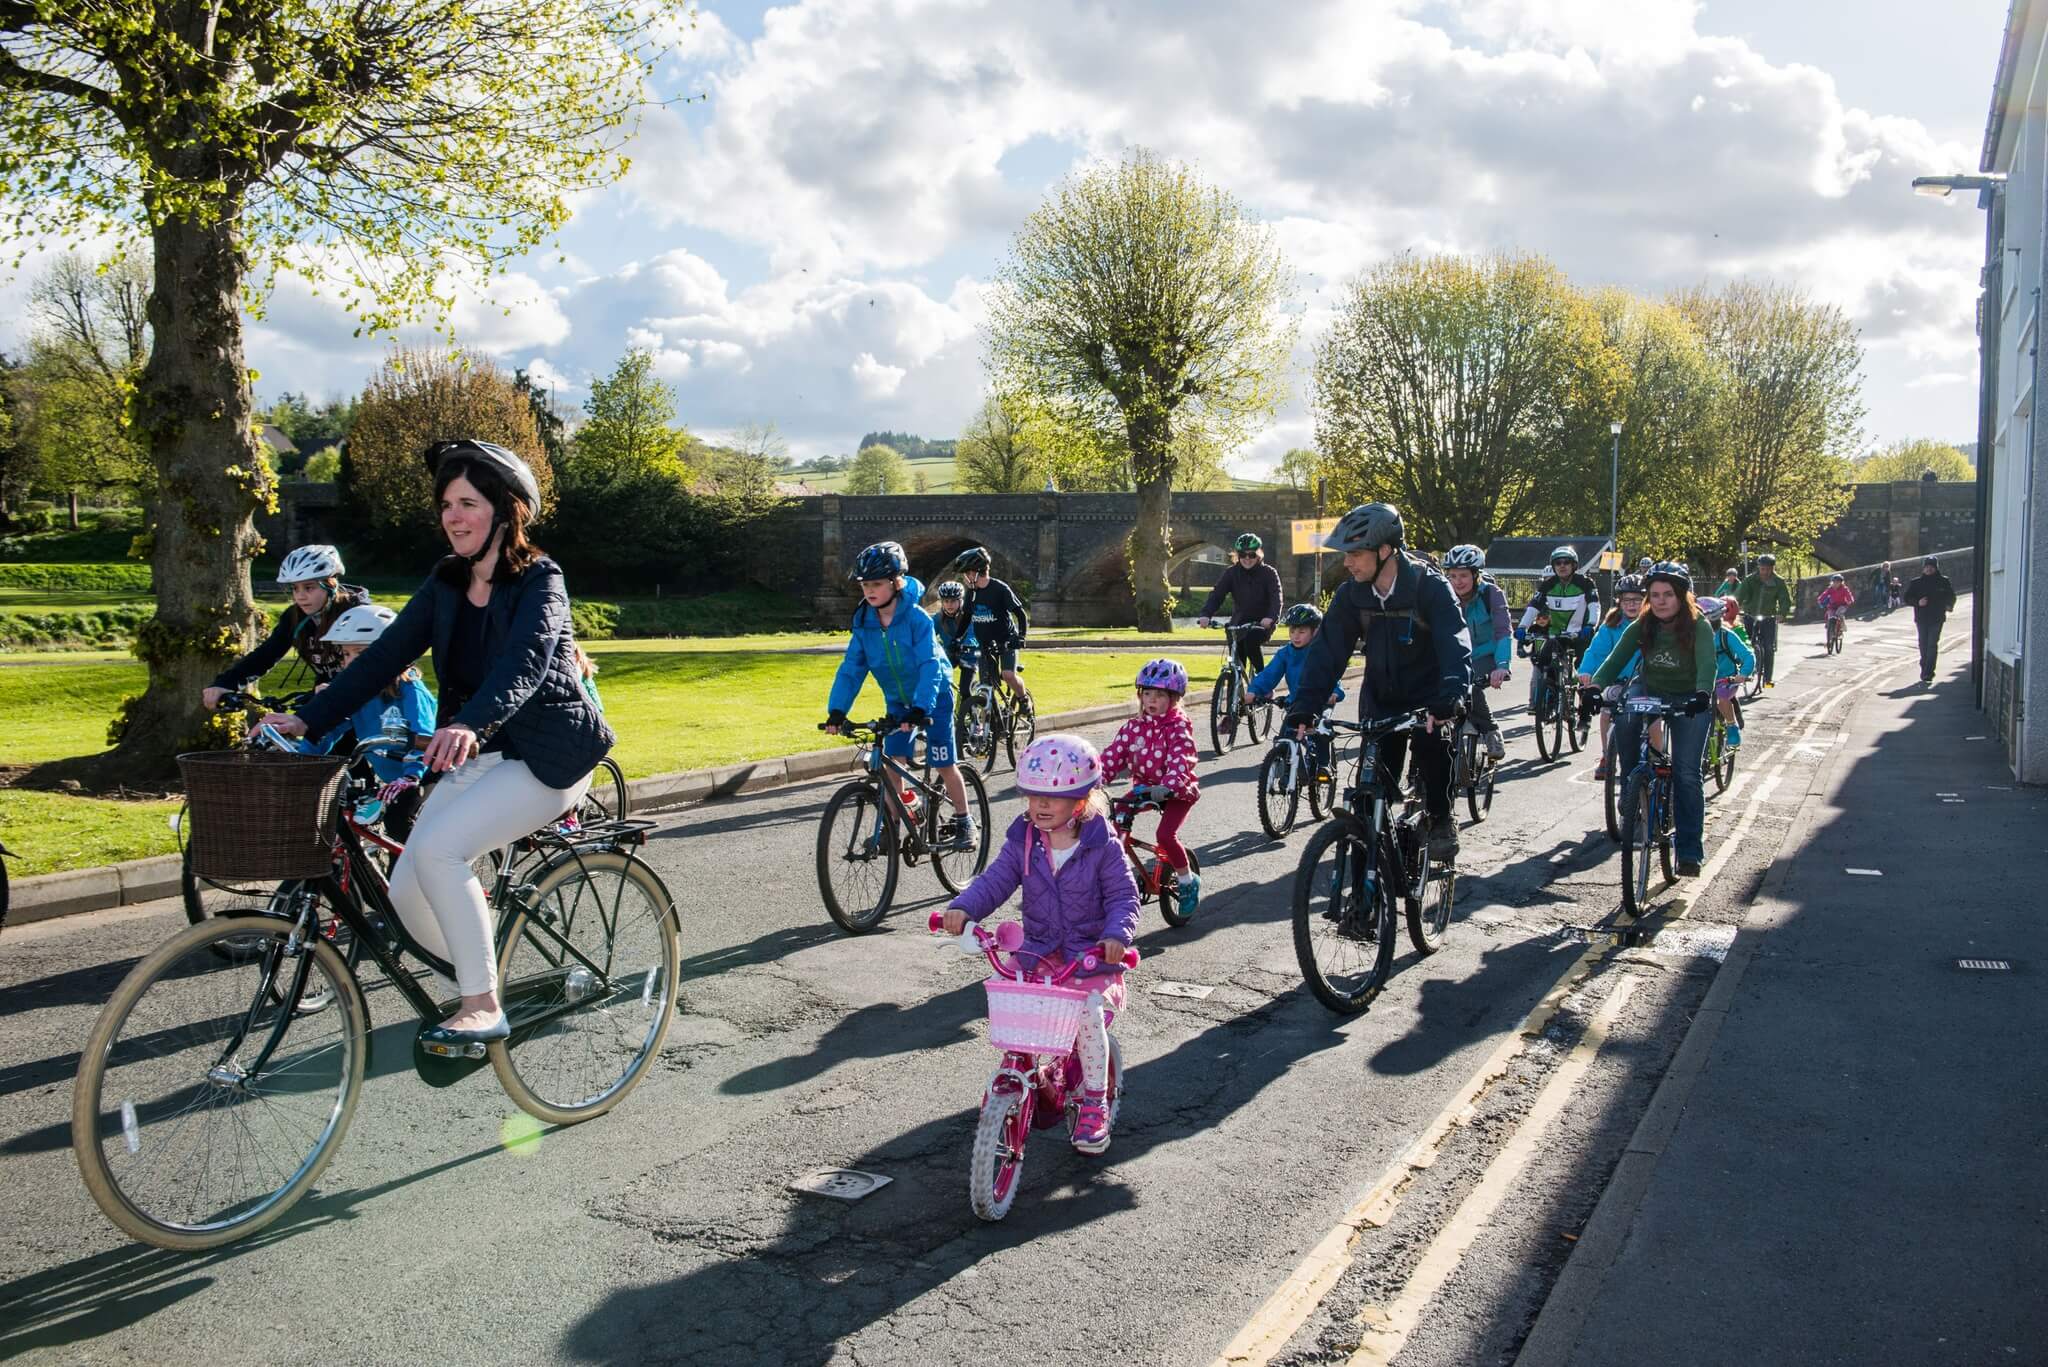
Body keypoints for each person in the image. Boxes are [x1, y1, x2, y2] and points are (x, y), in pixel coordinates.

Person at [265, 439, 615, 1050]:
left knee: (443, 853)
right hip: (479, 757)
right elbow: (385, 656)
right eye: (447, 504)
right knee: (406, 887)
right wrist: (310, 718)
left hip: (546, 757)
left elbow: (524, 664)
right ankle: (484, 968)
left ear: (507, 511)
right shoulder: (446, 580)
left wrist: (469, 724)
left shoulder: (540, 578)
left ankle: (482, 1004)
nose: (453, 516)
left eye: (469, 502)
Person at [941, 734, 1139, 1155]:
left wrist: (1115, 937)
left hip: (1090, 960)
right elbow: (995, 881)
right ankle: (1024, 1076)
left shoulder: (1103, 848)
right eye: (1033, 797)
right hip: (1041, 951)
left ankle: (1093, 1103)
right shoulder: (1024, 841)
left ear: (1081, 802)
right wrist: (963, 909)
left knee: (1087, 1014)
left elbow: (1124, 897)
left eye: (1053, 798)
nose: (1040, 806)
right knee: (1015, 997)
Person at [1289, 502, 1472, 860]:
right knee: (1370, 792)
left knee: (1433, 749)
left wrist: (1450, 695)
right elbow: (1326, 655)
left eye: (1355, 553)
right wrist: (1304, 708)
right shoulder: (1352, 595)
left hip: (1429, 697)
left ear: (1385, 550)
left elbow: (1455, 642)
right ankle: (1367, 883)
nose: (1347, 562)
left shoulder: (1429, 586)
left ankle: (1440, 817)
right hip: (1382, 697)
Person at [826, 541, 975, 849]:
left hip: (935, 697)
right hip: (897, 700)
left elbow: (929, 665)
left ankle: (964, 821)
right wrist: (837, 711)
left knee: (944, 762)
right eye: (865, 585)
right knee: (892, 763)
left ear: (897, 582)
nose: (869, 591)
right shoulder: (864, 622)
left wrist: (921, 708)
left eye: (876, 584)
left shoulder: (917, 619)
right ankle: (892, 826)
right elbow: (852, 668)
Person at [1578, 562, 1717, 878]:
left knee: (1686, 774)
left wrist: (1702, 694)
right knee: (1624, 720)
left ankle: (1690, 853)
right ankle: (1632, 787)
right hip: (1650, 689)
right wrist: (1595, 687)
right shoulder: (1641, 625)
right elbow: (1615, 661)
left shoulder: (1699, 626)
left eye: (1668, 594)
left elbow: (1707, 665)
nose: (1661, 601)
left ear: (1682, 597)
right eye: (1654, 595)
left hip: (1690, 697)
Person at [313, 604, 436, 839]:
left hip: (426, 774)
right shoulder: (357, 692)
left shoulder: (410, 689)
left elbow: (424, 737)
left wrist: (411, 776)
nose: (349, 662)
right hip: (390, 779)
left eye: (358, 653)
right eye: (345, 654)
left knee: (400, 825)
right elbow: (329, 731)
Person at [204, 545, 370, 708]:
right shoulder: (294, 617)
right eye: (295, 588)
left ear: (330, 585)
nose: (300, 596)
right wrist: (225, 684)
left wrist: (339, 686)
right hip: (324, 698)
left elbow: (373, 663)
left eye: (309, 587)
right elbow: (266, 654)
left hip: (367, 701)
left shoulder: (359, 613)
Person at [1097, 659, 1203, 915]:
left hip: (1177, 790)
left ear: (1174, 698)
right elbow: (1112, 757)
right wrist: (1093, 779)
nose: (1151, 700)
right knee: (1114, 821)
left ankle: (1188, 882)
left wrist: (1169, 785)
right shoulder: (1133, 728)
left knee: (1165, 835)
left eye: (1159, 695)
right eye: (1147, 694)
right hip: (1145, 787)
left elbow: (1182, 757)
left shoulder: (1178, 726)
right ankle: (1114, 875)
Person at [1249, 604, 1347, 772]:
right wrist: (1253, 690)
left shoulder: (1322, 652)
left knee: (1321, 729)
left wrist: (1334, 693)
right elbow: (1270, 674)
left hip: (1321, 701)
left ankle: (1324, 765)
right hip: (1297, 702)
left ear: (1315, 631)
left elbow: (1332, 677)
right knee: (1285, 736)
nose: (1296, 636)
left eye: (1302, 632)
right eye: (1292, 631)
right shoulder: (1285, 653)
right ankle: (1289, 770)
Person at [1440, 545, 1511, 761]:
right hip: (1454, 656)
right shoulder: (1443, 596)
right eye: (1452, 576)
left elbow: (1503, 631)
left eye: (1463, 575)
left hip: (1485, 656)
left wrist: (1502, 666)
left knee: (1470, 685)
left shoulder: (1491, 594)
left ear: (1475, 574)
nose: (1457, 581)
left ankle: (1491, 731)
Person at [1516, 546, 1601, 710]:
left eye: (1566, 562)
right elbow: (1533, 607)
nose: (1562, 566)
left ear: (1574, 565)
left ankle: (1585, 708)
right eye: (1558, 563)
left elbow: (1594, 606)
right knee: (1544, 661)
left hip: (1580, 633)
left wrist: (1591, 625)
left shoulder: (1585, 583)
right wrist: (1522, 627)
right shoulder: (1548, 585)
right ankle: (1551, 698)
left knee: (1583, 668)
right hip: (1556, 634)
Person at [952, 547, 1032, 714]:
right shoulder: (972, 593)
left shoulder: (999, 589)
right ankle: (991, 724)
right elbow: (966, 618)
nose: (965, 578)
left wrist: (1021, 637)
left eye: (967, 573)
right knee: (985, 686)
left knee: (1008, 675)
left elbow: (1020, 613)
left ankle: (1023, 699)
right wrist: (956, 639)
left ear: (977, 572)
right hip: (984, 645)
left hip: (1006, 641)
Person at [1582, 574, 1646, 779]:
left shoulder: (1653, 622)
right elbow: (1596, 651)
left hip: (1647, 682)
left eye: (1637, 600)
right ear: (1619, 601)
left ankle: (1654, 755)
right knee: (1607, 710)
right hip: (1617, 681)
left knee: (1653, 718)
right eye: (1626, 600)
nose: (1632, 605)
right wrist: (1586, 671)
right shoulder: (1611, 624)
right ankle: (1606, 755)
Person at [1197, 532, 1283, 675]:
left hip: (1261, 623)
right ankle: (1234, 688)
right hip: (1238, 622)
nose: (1247, 559)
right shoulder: (1231, 573)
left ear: (1259, 554)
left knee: (1250, 643)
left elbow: (1276, 598)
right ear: (1237, 555)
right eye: (1243, 555)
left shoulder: (1269, 573)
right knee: (1235, 659)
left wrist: (1271, 617)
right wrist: (1206, 614)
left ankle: (1263, 681)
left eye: (1252, 555)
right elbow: (1217, 595)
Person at [1695, 596, 1754, 748]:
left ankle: (1731, 726)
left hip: (1726, 679)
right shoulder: (1692, 636)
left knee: (1722, 697)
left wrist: (1743, 674)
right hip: (1701, 680)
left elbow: (1748, 656)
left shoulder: (1727, 635)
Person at [1735, 553, 1793, 687]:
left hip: (1768, 618)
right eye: (1762, 569)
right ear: (1758, 568)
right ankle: (1742, 672)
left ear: (1772, 568)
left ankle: (1767, 679)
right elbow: (1739, 596)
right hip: (1750, 615)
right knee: (1745, 644)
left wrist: (1782, 613)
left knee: (1768, 647)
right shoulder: (1749, 580)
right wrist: (1735, 608)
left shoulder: (1779, 582)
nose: (1765, 572)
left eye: (1767, 569)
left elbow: (1785, 600)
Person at [1899, 555, 1957, 684]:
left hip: (1937, 618)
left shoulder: (1943, 581)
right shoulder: (1916, 582)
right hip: (1922, 618)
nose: (1929, 569)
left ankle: (1928, 672)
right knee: (1923, 644)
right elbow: (1907, 598)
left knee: (1932, 645)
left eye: (1931, 567)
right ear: (1923, 568)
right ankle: (1924, 666)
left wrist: (1949, 605)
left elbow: (1951, 596)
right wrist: (1918, 602)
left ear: (1936, 568)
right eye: (1927, 567)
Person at [1816, 574, 1856, 648]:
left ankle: (1842, 627)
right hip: (1833, 606)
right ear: (1832, 582)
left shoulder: (1844, 588)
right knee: (1830, 615)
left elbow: (1849, 595)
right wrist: (1820, 599)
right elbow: (1824, 594)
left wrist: (1850, 600)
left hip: (1842, 605)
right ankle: (1830, 635)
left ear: (1841, 582)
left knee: (1839, 613)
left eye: (1838, 582)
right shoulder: (1830, 588)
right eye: (1834, 582)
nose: (1836, 583)